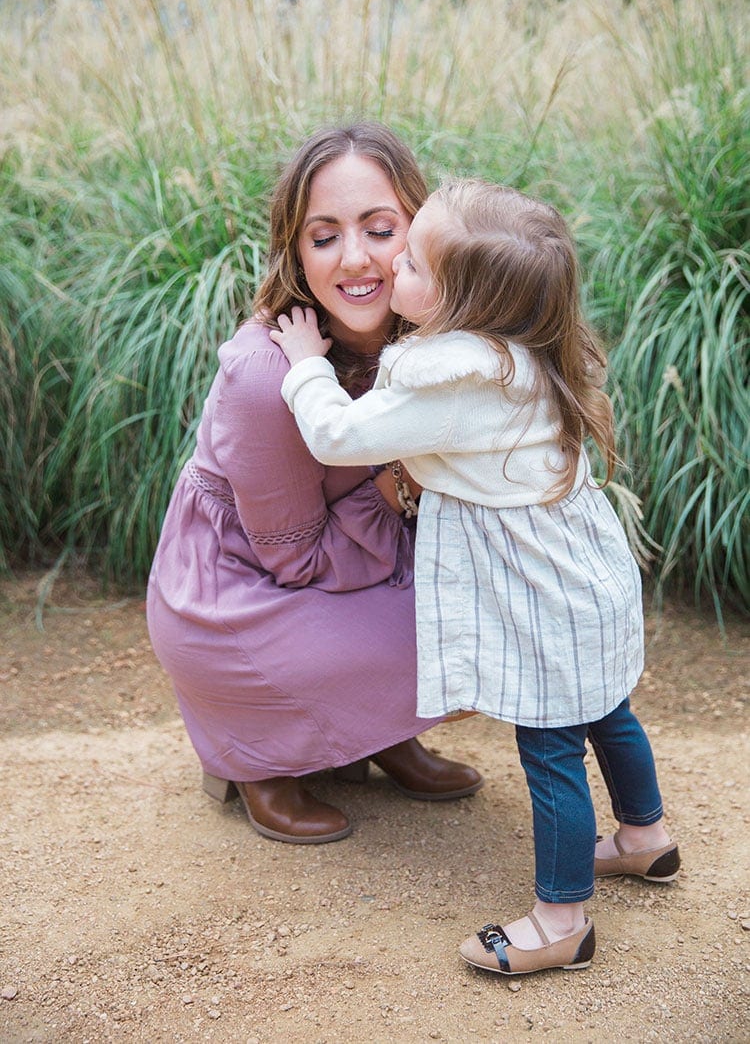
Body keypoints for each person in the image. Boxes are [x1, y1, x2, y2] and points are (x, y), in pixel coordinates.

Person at [270, 178, 680, 973]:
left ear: (464, 303)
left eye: (415, 262)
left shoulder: (452, 384)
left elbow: (335, 434)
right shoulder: (520, 352)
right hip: (585, 578)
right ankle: (645, 837)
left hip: (543, 599)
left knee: (552, 747)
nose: (393, 268)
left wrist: (304, 365)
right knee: (608, 712)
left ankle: (561, 922)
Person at [146, 124, 484, 846]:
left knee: (494, 609)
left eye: (380, 228)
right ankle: (260, 759)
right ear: (296, 252)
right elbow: (292, 560)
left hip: (346, 563)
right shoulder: (268, 376)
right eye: (324, 236)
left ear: (420, 232)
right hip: (239, 594)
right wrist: (398, 478)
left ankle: (381, 734)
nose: (356, 259)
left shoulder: (422, 338)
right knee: (449, 635)